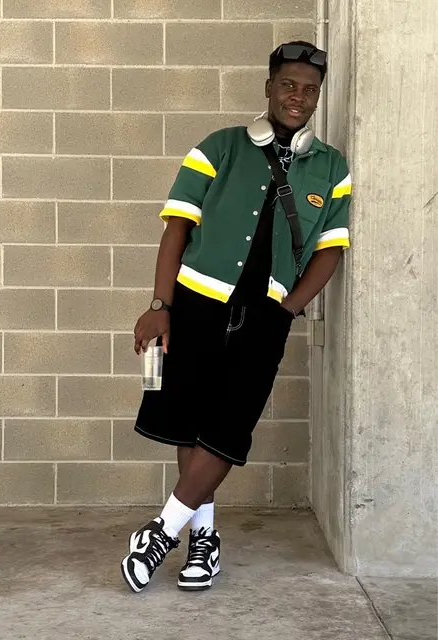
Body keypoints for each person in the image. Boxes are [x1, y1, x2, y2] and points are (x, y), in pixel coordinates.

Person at [121, 41, 351, 593]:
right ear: (269, 88)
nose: (298, 97)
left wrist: (288, 308)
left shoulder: (331, 167)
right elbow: (177, 228)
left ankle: (162, 530)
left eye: (310, 90)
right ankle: (203, 537)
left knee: (230, 424)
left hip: (267, 314)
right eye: (289, 84)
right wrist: (160, 306)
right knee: (190, 419)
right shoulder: (219, 147)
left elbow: (331, 249)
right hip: (197, 301)